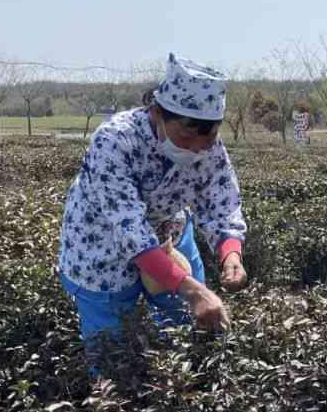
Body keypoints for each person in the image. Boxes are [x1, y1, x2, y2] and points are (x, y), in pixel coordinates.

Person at [58, 53, 248, 370]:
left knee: (187, 326)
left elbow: (221, 201)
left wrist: (231, 254)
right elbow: (130, 232)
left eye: (208, 136)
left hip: (168, 230)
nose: (197, 148)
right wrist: (195, 291)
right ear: (158, 113)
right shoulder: (115, 140)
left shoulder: (209, 147)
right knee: (112, 347)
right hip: (101, 245)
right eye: (186, 135)